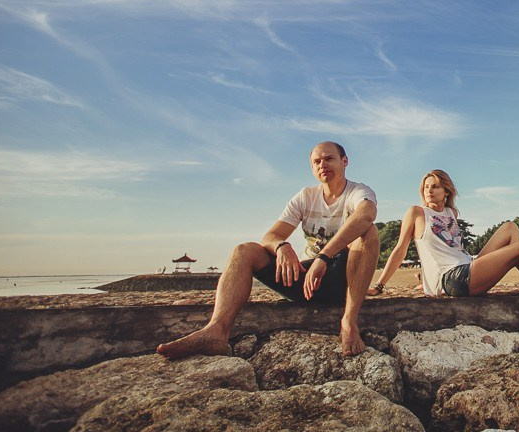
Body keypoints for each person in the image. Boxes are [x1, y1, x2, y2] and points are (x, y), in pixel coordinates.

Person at [158, 141, 380, 359]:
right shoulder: (305, 196)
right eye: (316, 161)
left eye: (329, 159)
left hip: (345, 281)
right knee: (244, 250)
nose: (323, 165)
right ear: (312, 167)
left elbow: (366, 214)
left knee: (369, 233)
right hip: (305, 283)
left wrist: (324, 257)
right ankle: (216, 331)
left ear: (344, 161)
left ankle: (349, 322)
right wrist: (281, 246)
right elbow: (270, 236)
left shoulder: (358, 192)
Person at [369, 169, 519, 325]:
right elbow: (400, 250)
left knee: (510, 228)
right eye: (426, 187)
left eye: (435, 186)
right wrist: (379, 286)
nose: (429, 191)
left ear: (446, 192)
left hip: (467, 267)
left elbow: (449, 251)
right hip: (453, 279)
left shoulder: (451, 214)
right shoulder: (417, 213)